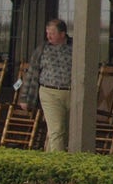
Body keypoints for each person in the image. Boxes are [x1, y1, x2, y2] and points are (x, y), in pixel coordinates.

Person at [19, 18, 74, 152]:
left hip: (71, 93)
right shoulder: (42, 49)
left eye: (52, 33)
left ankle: (48, 161)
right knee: (57, 129)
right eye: (47, 33)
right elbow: (31, 73)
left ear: (62, 34)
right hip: (49, 93)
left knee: (63, 132)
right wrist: (24, 98)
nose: (48, 36)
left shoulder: (74, 48)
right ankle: (58, 166)